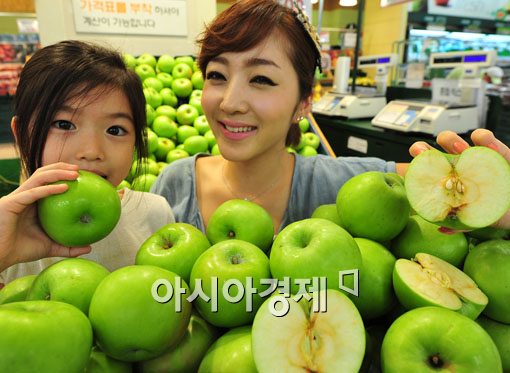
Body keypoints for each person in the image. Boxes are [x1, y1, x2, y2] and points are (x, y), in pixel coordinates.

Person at [151, 0, 510, 234]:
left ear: (304, 102)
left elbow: (454, 187)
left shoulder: (342, 187)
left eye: (261, 79)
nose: (229, 102)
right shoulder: (173, 186)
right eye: (217, 75)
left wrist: (498, 199)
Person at [0, 40, 174, 284]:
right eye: (64, 124)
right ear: (21, 134)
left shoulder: (154, 214)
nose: (92, 151)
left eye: (115, 130)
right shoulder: (7, 225)